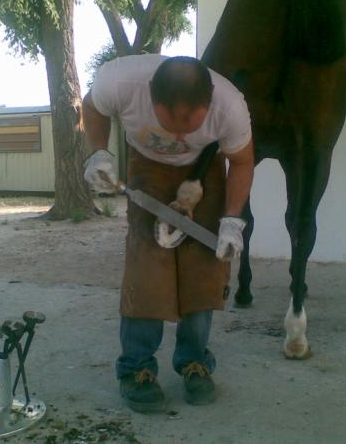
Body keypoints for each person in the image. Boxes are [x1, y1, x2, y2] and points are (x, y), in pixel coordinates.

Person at [82, 54, 254, 413]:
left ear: (208, 104)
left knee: (204, 269)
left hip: (204, 171)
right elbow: (92, 108)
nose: (178, 135)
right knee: (148, 269)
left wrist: (232, 221)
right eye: (170, 122)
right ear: (151, 100)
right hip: (148, 168)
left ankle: (194, 363)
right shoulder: (119, 82)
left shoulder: (230, 105)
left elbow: (241, 161)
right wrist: (97, 153)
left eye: (190, 124)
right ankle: (136, 370)